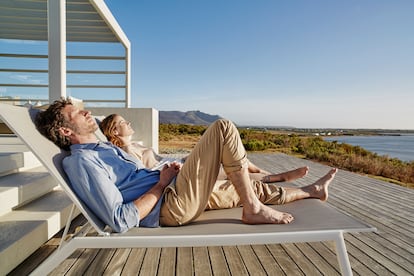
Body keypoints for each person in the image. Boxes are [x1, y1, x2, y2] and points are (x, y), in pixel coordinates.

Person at [35, 98, 337, 233]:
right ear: (65, 131)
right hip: (170, 204)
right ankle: (253, 210)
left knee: (248, 187)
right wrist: (161, 183)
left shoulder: (102, 148)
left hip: (174, 189)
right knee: (222, 128)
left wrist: (167, 175)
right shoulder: (83, 162)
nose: (86, 111)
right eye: (77, 112)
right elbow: (119, 219)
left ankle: (312, 192)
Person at [99, 113, 309, 182]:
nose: (129, 123)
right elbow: (145, 175)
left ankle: (269, 174)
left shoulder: (135, 145)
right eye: (124, 122)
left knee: (227, 156)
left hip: (181, 163)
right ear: (115, 132)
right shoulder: (125, 153)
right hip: (178, 173)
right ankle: (274, 177)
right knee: (228, 170)